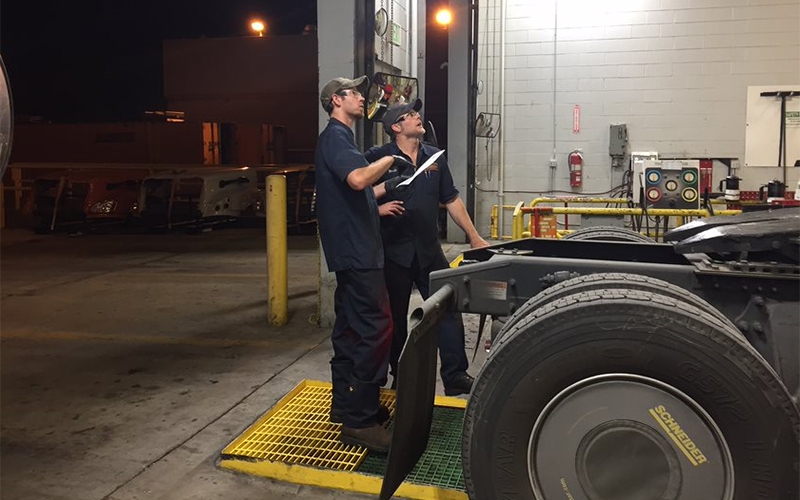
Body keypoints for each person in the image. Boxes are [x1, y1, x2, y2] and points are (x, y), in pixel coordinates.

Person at [365, 99, 490, 396]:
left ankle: (455, 374)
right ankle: (400, 375)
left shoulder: (434, 158)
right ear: (396, 127)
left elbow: (451, 199)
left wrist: (473, 236)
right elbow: (356, 194)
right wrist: (378, 209)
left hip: (428, 249)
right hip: (392, 250)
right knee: (394, 318)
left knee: (447, 309)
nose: (417, 116)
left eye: (416, 112)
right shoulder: (378, 158)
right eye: (409, 115)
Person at [315, 76, 409, 452]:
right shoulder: (336, 137)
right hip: (357, 251)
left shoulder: (341, 140)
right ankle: (361, 420)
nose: (361, 97)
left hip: (353, 249)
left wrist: (388, 189)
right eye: (355, 93)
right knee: (377, 328)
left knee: (352, 327)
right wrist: (389, 158)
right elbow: (356, 180)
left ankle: (346, 406)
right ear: (337, 100)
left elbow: (358, 193)